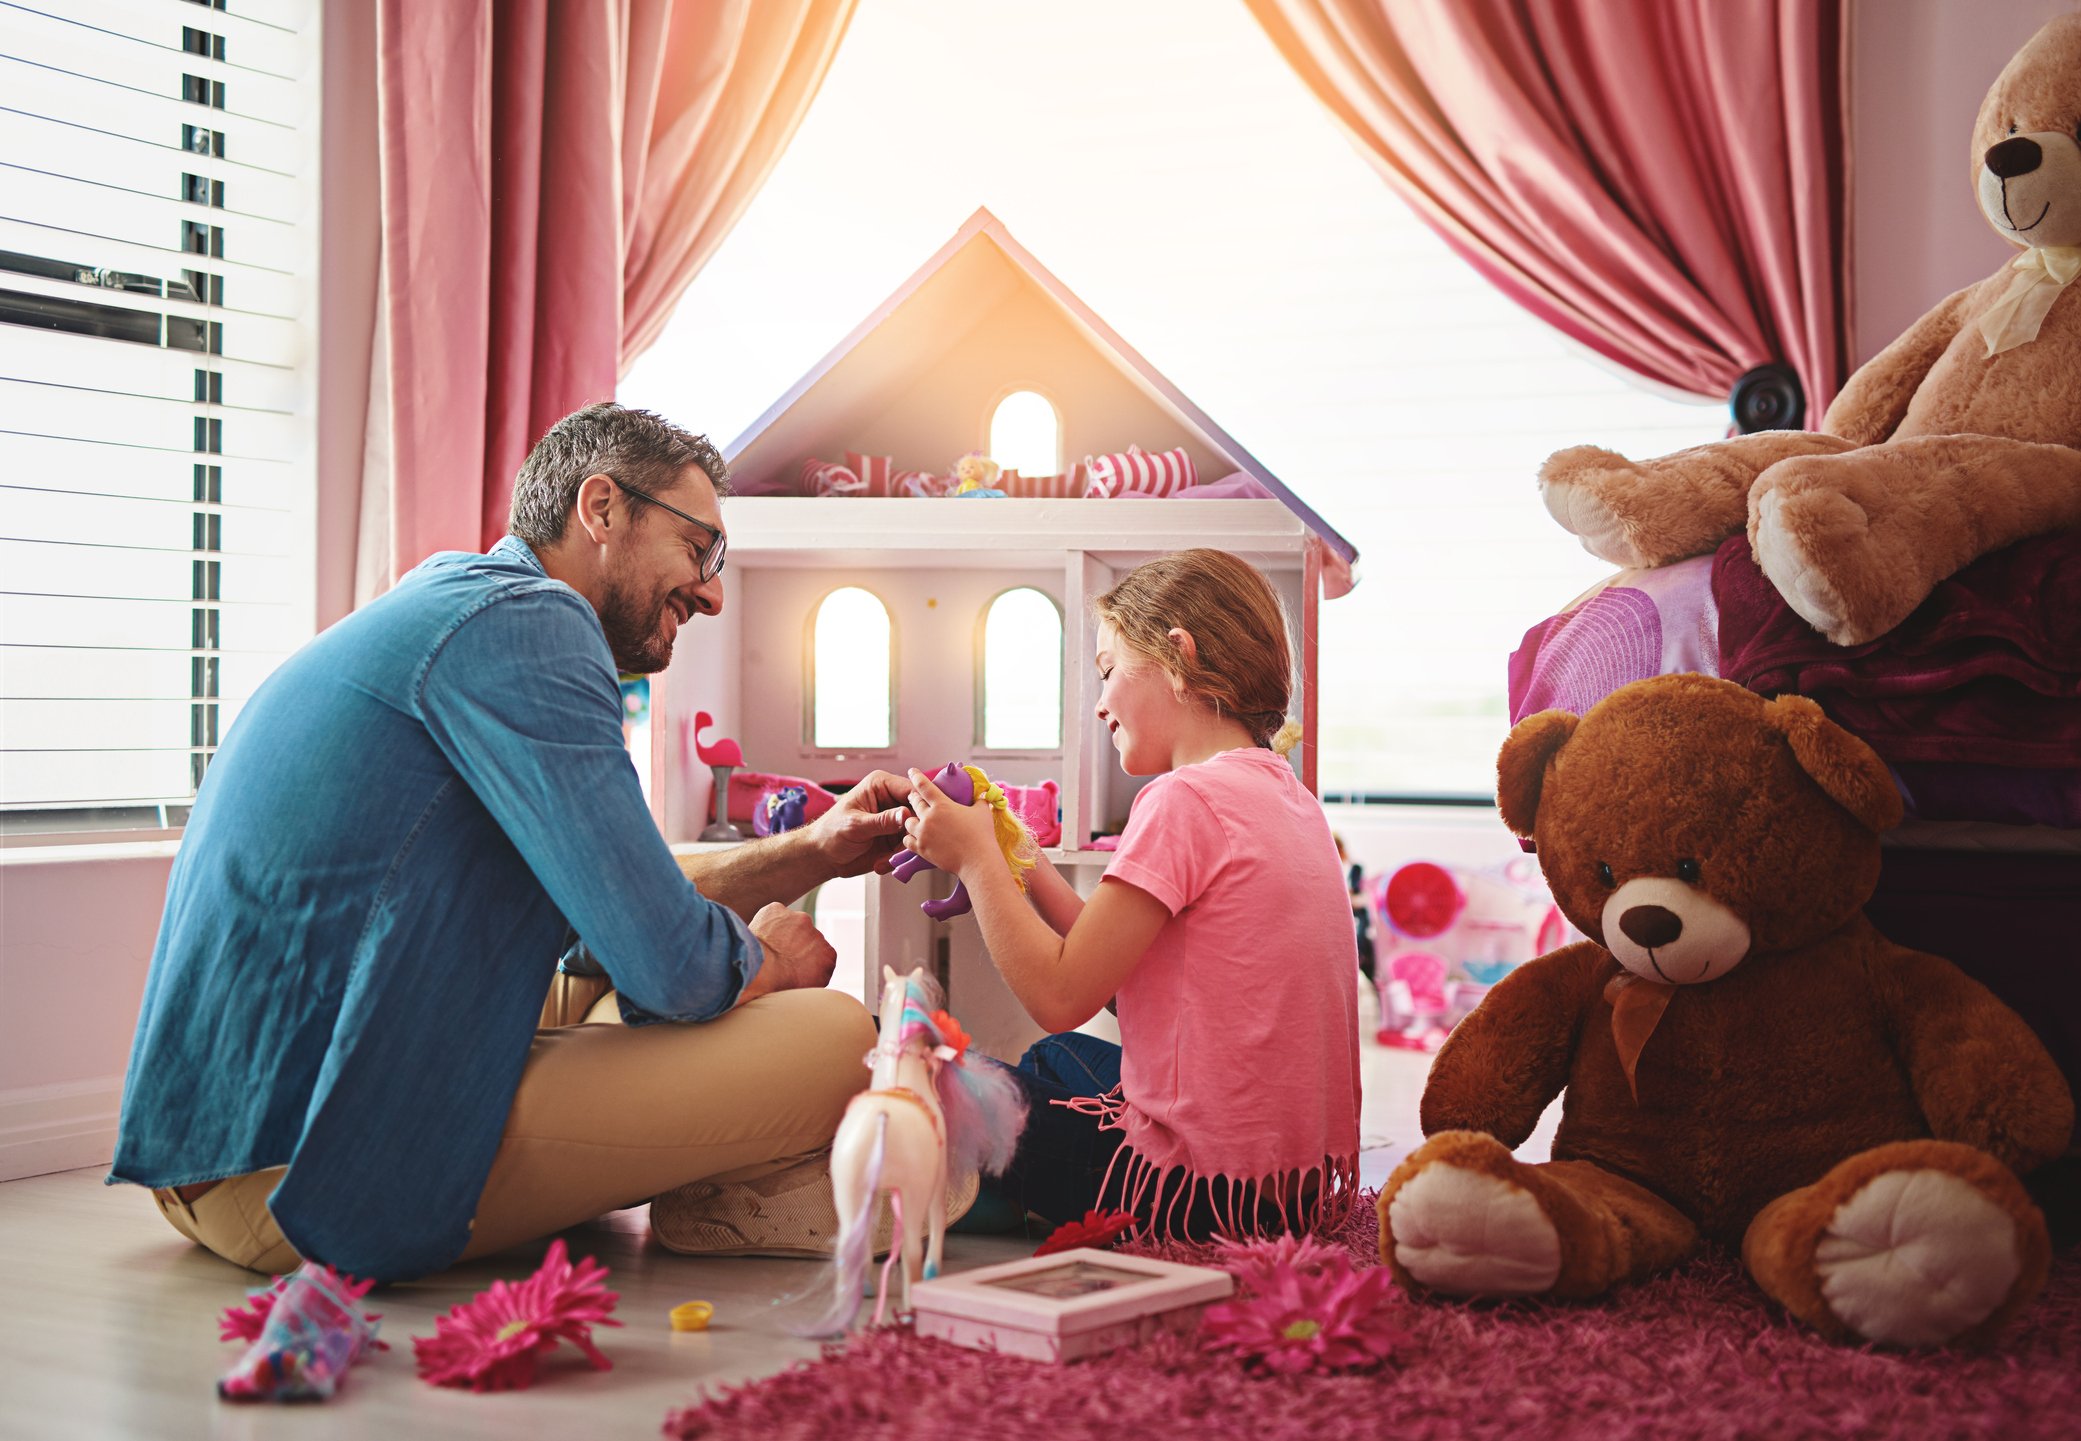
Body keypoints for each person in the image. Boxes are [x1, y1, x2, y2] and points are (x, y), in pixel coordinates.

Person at [110, 403, 916, 1283]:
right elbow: (669, 964)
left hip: (214, 1156)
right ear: (600, 508)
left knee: (628, 985)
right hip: (292, 1178)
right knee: (835, 1034)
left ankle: (733, 1173)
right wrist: (767, 961)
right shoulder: (534, 626)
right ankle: (747, 1184)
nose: (713, 593)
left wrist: (817, 849)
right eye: (699, 549)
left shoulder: (462, 603)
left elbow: (610, 913)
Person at [901, 548, 1361, 1240]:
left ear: (1177, 656)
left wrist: (974, 861)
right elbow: (1126, 976)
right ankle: (1010, 1188)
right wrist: (1015, 853)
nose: (1098, 703)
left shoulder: (1183, 798)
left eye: (1109, 671)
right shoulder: (1282, 796)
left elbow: (1059, 994)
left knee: (922, 1074)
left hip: (1193, 1189)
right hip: (1281, 1184)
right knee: (1055, 1060)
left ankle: (990, 1191)